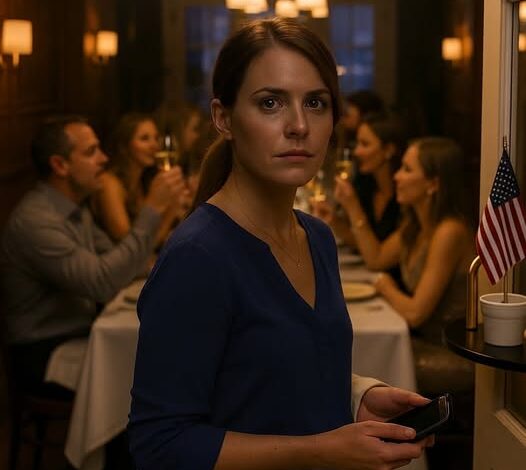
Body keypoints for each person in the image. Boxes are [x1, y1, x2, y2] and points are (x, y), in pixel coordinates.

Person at [129, 18, 432, 470]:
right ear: (224, 118)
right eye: (270, 103)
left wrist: (355, 396)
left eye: (316, 103)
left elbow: (266, 372)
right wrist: (322, 450)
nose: (299, 125)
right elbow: (159, 444)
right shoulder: (200, 255)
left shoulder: (318, 237)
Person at [0, 115, 183, 394]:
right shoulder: (36, 221)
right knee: (150, 371)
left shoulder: (75, 208)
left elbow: (118, 260)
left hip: (80, 333)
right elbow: (102, 282)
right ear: (60, 165)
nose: (104, 159)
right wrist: (152, 210)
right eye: (91, 152)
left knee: (164, 354)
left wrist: (170, 267)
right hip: (44, 351)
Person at [90, 113, 189, 246]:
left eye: (156, 138)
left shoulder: (144, 182)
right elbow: (134, 248)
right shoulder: (109, 183)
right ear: (124, 146)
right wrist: (172, 209)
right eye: (144, 139)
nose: (154, 145)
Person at [313, 112, 406, 250]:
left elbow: (378, 257)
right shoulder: (365, 185)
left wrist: (352, 205)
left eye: (365, 144)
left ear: (388, 150)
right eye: (357, 143)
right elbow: (364, 246)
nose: (357, 151)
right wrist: (334, 220)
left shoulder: (405, 195)